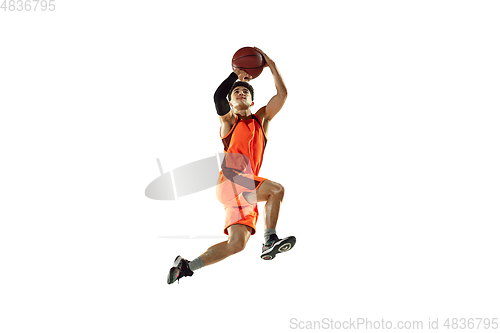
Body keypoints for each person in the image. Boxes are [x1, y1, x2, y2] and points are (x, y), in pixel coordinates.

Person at [167, 47, 296, 284]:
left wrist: (272, 65)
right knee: (276, 190)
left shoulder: (261, 119)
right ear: (231, 101)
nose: (239, 92)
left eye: (244, 91)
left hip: (245, 190)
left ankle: (186, 267)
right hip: (231, 181)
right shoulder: (229, 121)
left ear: (251, 100)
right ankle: (270, 239)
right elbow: (218, 97)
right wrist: (235, 76)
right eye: (236, 91)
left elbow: (282, 94)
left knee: (237, 244)